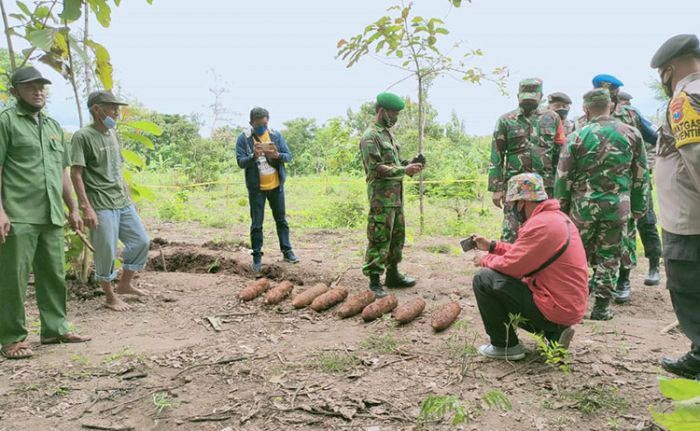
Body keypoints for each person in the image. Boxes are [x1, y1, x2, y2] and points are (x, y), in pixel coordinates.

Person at [0, 66, 91, 359]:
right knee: (13, 278)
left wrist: (73, 207)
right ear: (15, 92)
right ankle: (12, 338)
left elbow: (62, 171)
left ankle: (55, 329)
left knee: (53, 274)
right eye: (31, 87)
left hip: (51, 214)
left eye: (41, 87)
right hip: (19, 214)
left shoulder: (52, 125)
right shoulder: (6, 122)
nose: (38, 92)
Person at [471, 173, 588, 360]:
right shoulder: (554, 218)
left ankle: (505, 346)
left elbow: (512, 265)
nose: (514, 211)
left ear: (522, 202)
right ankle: (555, 334)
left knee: (484, 279)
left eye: (514, 205)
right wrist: (492, 246)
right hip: (566, 305)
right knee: (506, 280)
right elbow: (526, 253)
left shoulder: (542, 224)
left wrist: (485, 259)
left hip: (555, 306)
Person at [554, 89, 648, 320]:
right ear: (612, 106)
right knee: (610, 255)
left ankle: (575, 304)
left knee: (577, 255)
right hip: (617, 206)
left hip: (582, 208)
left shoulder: (577, 136)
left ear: (586, 110)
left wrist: (561, 208)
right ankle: (602, 307)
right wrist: (639, 207)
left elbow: (563, 176)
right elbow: (641, 175)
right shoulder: (632, 134)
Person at [71, 91, 151, 312]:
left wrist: (130, 199)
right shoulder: (82, 136)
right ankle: (109, 295)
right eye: (112, 107)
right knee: (106, 248)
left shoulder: (113, 135)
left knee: (141, 241)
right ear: (97, 109)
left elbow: (118, 170)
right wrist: (85, 207)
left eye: (117, 108)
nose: (116, 112)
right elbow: (76, 174)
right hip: (100, 203)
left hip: (121, 201)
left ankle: (125, 284)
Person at [650, 34, 700, 379]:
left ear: (668, 70)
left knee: (688, 292)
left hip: (689, 222)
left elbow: (696, 157)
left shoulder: (685, 100)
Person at [359, 92, 424, 298]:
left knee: (397, 237)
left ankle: (393, 274)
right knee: (379, 238)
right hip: (381, 198)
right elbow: (376, 168)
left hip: (396, 198)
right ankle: (375, 281)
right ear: (381, 110)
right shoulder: (371, 136)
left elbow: (393, 164)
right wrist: (404, 171)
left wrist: (410, 164)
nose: (395, 117)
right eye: (393, 113)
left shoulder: (387, 134)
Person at [489, 78, 566, 243]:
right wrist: (496, 188)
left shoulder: (553, 118)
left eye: (533, 98)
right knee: (511, 232)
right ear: (518, 96)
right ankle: (508, 266)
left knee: (545, 231)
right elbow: (496, 155)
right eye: (525, 98)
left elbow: (560, 155)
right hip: (516, 187)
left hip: (545, 187)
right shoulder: (505, 120)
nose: (528, 102)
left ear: (541, 96)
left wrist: (560, 186)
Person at [236, 107, 299, 274]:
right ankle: (257, 256)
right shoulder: (244, 139)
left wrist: (277, 155)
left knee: (281, 221)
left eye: (264, 124)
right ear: (251, 123)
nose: (262, 127)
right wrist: (253, 157)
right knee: (257, 224)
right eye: (258, 125)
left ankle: (287, 251)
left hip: (276, 186)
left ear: (268, 121)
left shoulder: (276, 135)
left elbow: (288, 155)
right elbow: (240, 162)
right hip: (256, 189)